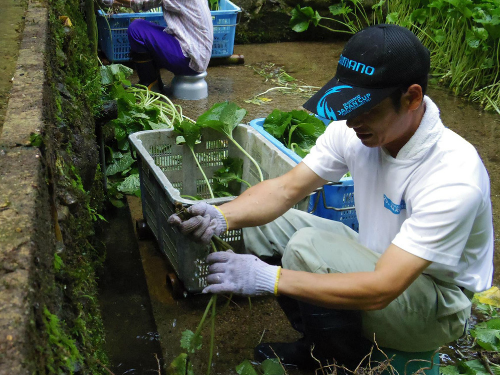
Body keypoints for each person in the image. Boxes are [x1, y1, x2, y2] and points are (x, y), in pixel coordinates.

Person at [168, 24, 494, 370]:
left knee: (306, 249)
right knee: (268, 224)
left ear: (412, 98)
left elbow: (383, 286)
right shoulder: (356, 131)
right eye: (349, 106)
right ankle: (315, 342)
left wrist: (270, 279)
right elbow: (286, 188)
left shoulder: (453, 177)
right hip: (379, 258)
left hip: (435, 303)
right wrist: (222, 215)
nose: (353, 121)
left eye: (367, 108)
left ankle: (341, 361)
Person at [102, 0, 213, 92]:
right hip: (197, 55)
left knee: (136, 28)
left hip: (190, 60)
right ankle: (153, 81)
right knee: (146, 28)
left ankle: (149, 83)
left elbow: (139, 2)